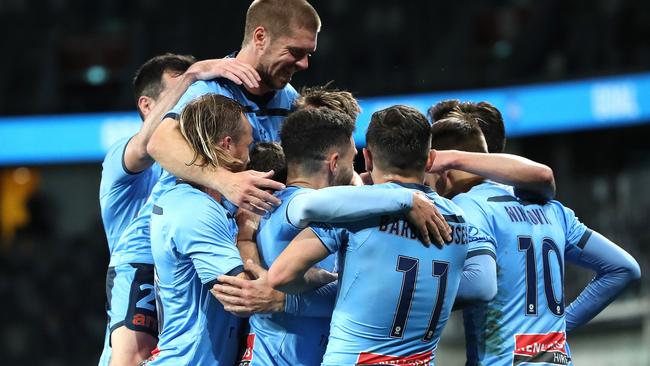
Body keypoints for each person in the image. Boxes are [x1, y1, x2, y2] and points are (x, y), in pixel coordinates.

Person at [213, 107, 452, 366]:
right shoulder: (310, 210)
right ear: (335, 163)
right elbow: (352, 299)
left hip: (266, 353)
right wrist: (404, 197)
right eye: (352, 163)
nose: (356, 174)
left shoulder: (270, 206)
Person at [267, 105, 479, 365]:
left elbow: (281, 275)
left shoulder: (354, 212)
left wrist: (325, 279)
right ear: (430, 159)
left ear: (367, 158)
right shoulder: (458, 219)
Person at [99, 53, 272, 365]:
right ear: (148, 107)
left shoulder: (190, 165)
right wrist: (192, 75)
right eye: (181, 93)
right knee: (132, 357)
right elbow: (148, 144)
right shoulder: (125, 158)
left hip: (180, 264)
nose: (188, 103)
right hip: (139, 268)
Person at [430, 116, 641, 366]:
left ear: (442, 169)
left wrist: (410, 295)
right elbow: (624, 269)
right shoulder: (553, 209)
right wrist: (559, 328)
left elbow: (477, 285)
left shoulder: (467, 207)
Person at [147, 0, 322, 214]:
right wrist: (225, 181)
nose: (304, 64)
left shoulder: (290, 100)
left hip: (233, 229)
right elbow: (159, 143)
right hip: (172, 231)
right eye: (295, 51)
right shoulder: (210, 91)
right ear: (260, 37)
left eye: (308, 54)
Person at [145, 93, 253, 365]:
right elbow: (240, 296)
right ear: (227, 145)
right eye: (248, 146)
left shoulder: (189, 199)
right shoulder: (195, 210)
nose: (249, 157)